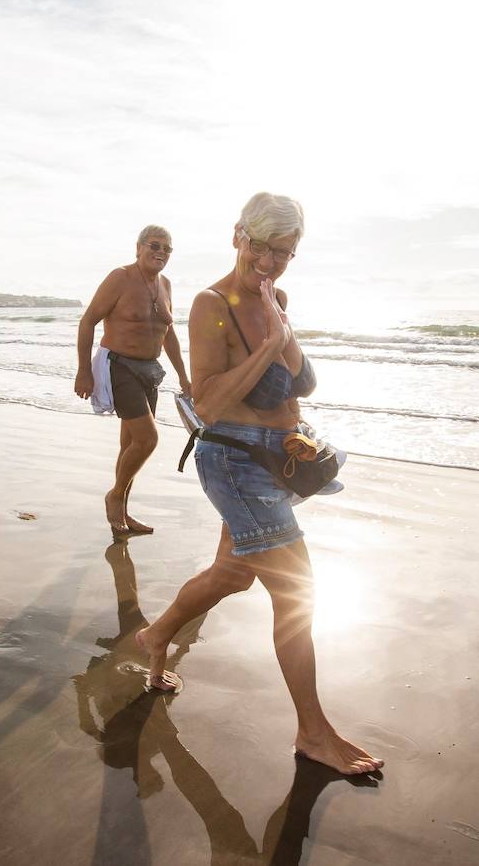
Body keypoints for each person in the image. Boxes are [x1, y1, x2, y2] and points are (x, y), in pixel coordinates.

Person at [135, 193, 384, 776]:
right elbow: (210, 400)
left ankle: (157, 635)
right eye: (263, 247)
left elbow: (304, 385)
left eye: (285, 253)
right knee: (297, 587)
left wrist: (281, 329)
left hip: (280, 459)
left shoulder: (278, 297)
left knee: (235, 572)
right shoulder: (208, 304)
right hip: (234, 462)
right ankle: (313, 733)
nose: (271, 263)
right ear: (237, 236)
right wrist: (270, 345)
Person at [76, 225, 191, 537]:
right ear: (139, 247)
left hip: (149, 370)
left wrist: (184, 376)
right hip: (119, 366)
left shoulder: (165, 284)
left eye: (167, 249)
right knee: (147, 440)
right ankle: (115, 496)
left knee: (130, 444)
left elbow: (169, 335)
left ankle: (122, 512)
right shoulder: (120, 278)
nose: (161, 253)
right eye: (155, 246)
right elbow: (88, 321)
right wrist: (83, 370)